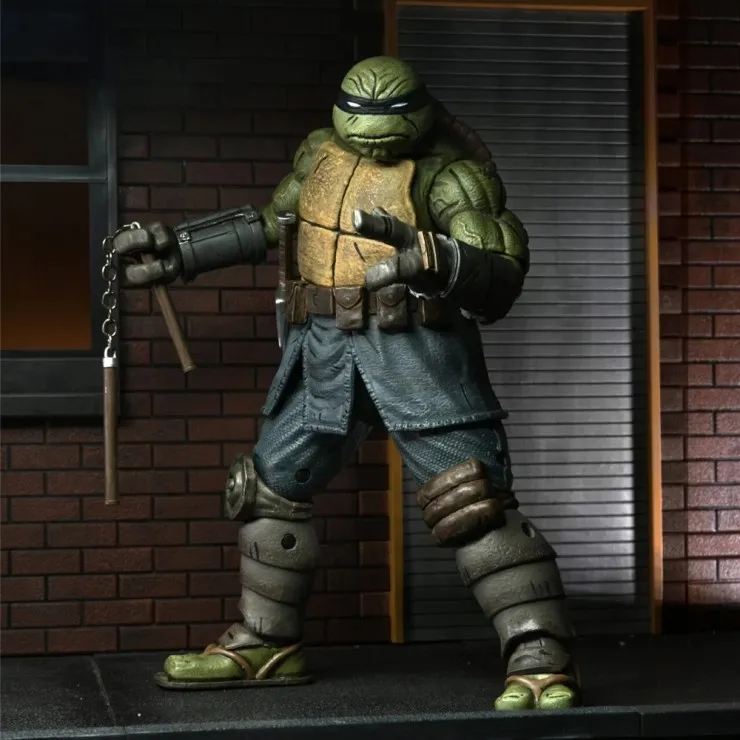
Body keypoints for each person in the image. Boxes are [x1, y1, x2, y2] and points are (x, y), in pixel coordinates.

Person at [113, 55, 580, 710]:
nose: (371, 132)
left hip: (418, 354)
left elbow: (500, 274)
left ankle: (540, 656)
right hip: (325, 351)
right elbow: (275, 223)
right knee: (267, 490)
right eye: (360, 114)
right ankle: (266, 641)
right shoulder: (320, 158)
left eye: (389, 116)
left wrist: (437, 258)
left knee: (471, 501)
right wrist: (182, 251)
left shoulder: (450, 176)